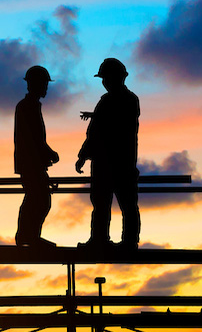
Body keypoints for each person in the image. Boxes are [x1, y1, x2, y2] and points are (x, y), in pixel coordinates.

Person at [75, 58, 141, 251]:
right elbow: (94, 132)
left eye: (106, 78)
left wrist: (85, 154)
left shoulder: (128, 100)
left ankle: (128, 242)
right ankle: (99, 239)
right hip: (105, 164)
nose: (105, 82)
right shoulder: (107, 101)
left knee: (127, 204)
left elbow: (112, 128)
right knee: (102, 204)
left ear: (117, 78)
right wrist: (83, 155)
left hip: (120, 163)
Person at [14, 65, 60, 248]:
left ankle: (28, 235)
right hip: (30, 164)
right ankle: (28, 236)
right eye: (44, 84)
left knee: (36, 198)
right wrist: (49, 153)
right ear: (35, 84)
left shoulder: (30, 106)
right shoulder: (27, 107)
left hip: (32, 163)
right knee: (39, 199)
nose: (46, 88)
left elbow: (34, 138)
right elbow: (32, 138)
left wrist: (45, 154)